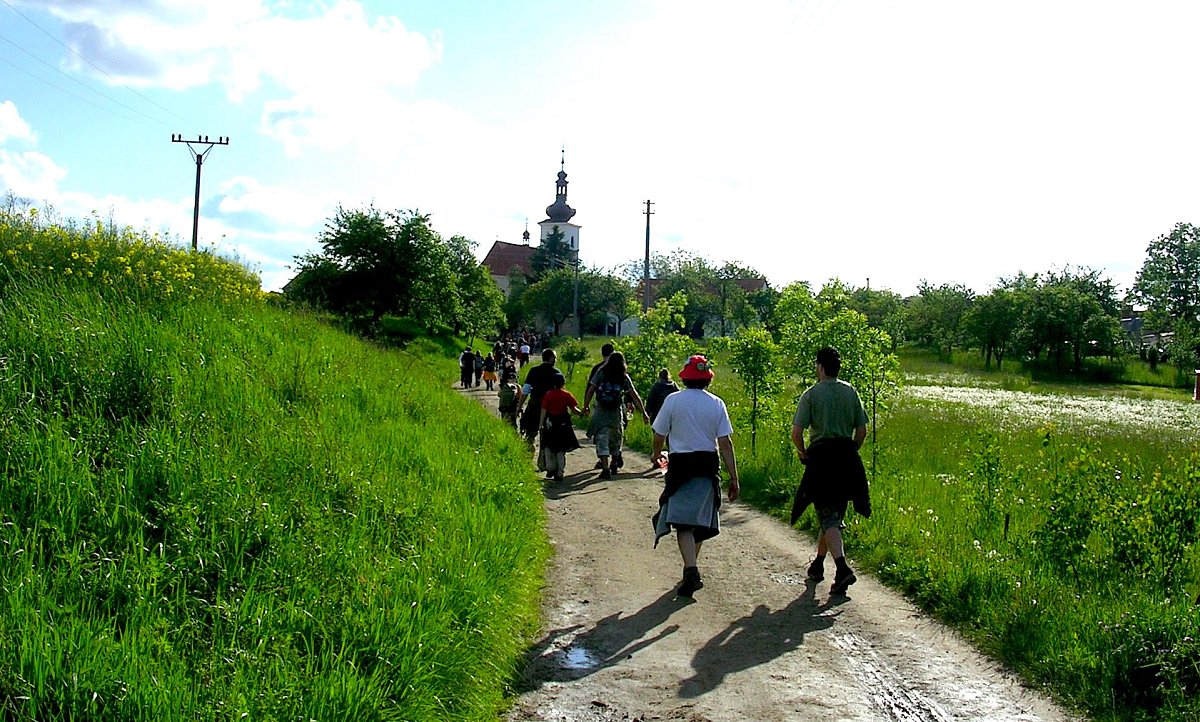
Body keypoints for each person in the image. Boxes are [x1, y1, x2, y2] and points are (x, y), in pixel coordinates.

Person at [650, 355, 739, 598]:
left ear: (685, 377)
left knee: (683, 523)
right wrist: (734, 478)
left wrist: (656, 454)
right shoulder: (717, 404)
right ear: (708, 379)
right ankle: (690, 571)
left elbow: (659, 433)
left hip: (680, 467)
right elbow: (725, 442)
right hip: (707, 466)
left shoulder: (673, 401)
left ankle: (691, 570)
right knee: (698, 523)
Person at [790, 346, 871, 596]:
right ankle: (817, 564)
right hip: (847, 459)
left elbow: (796, 432)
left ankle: (842, 567)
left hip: (822, 459)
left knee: (828, 515)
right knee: (833, 515)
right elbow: (862, 431)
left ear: (821, 367)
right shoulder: (851, 392)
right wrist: (851, 450)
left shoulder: (811, 395)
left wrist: (803, 451)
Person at [584, 351, 649, 479]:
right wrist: (644, 412)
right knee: (616, 436)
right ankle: (614, 463)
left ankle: (605, 467)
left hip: (601, 411)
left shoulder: (601, 373)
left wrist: (585, 406)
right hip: (616, 412)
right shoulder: (623, 377)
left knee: (601, 436)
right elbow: (634, 395)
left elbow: (591, 389)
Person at [520, 349, 564, 469]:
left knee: (530, 434)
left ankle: (526, 460)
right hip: (551, 409)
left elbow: (525, 391)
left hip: (534, 406)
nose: (555, 360)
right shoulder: (556, 373)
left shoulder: (534, 371)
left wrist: (519, 406)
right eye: (554, 357)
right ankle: (544, 462)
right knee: (547, 437)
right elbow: (561, 392)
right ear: (550, 358)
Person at [539, 374, 583, 482]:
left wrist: (541, 424)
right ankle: (560, 472)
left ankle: (551, 468)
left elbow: (544, 410)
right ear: (563, 383)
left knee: (549, 448)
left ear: (553, 383)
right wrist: (581, 413)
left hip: (551, 424)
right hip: (563, 423)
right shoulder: (567, 395)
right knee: (561, 450)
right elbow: (574, 409)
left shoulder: (548, 394)